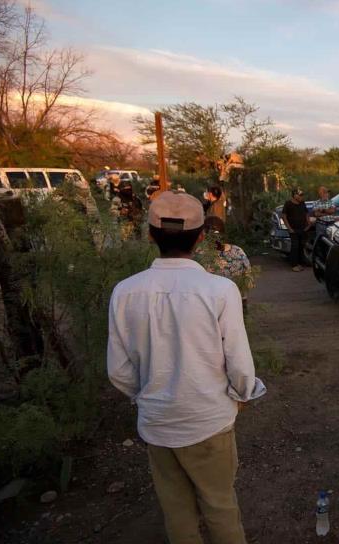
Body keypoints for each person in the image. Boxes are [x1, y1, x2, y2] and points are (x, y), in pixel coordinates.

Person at [107, 190, 266, 544]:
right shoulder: (220, 290)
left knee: (177, 515)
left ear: (150, 235)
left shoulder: (125, 292)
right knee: (221, 508)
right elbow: (240, 364)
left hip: (158, 426)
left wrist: (148, 396)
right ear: (199, 237)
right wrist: (241, 396)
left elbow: (118, 370)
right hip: (209, 421)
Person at [196, 217, 255, 314]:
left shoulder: (199, 254)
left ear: (203, 234)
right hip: (237, 304)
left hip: (209, 307)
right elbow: (249, 282)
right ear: (223, 233)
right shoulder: (238, 251)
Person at [282, 188, 309, 271]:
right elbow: (284, 216)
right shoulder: (288, 204)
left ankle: (299, 263)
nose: (301, 197)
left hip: (302, 229)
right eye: (299, 195)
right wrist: (289, 228)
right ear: (294, 195)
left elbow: (306, 213)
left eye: (302, 195)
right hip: (293, 229)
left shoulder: (302, 203)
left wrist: (308, 224)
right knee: (295, 246)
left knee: (301, 246)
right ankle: (294, 265)